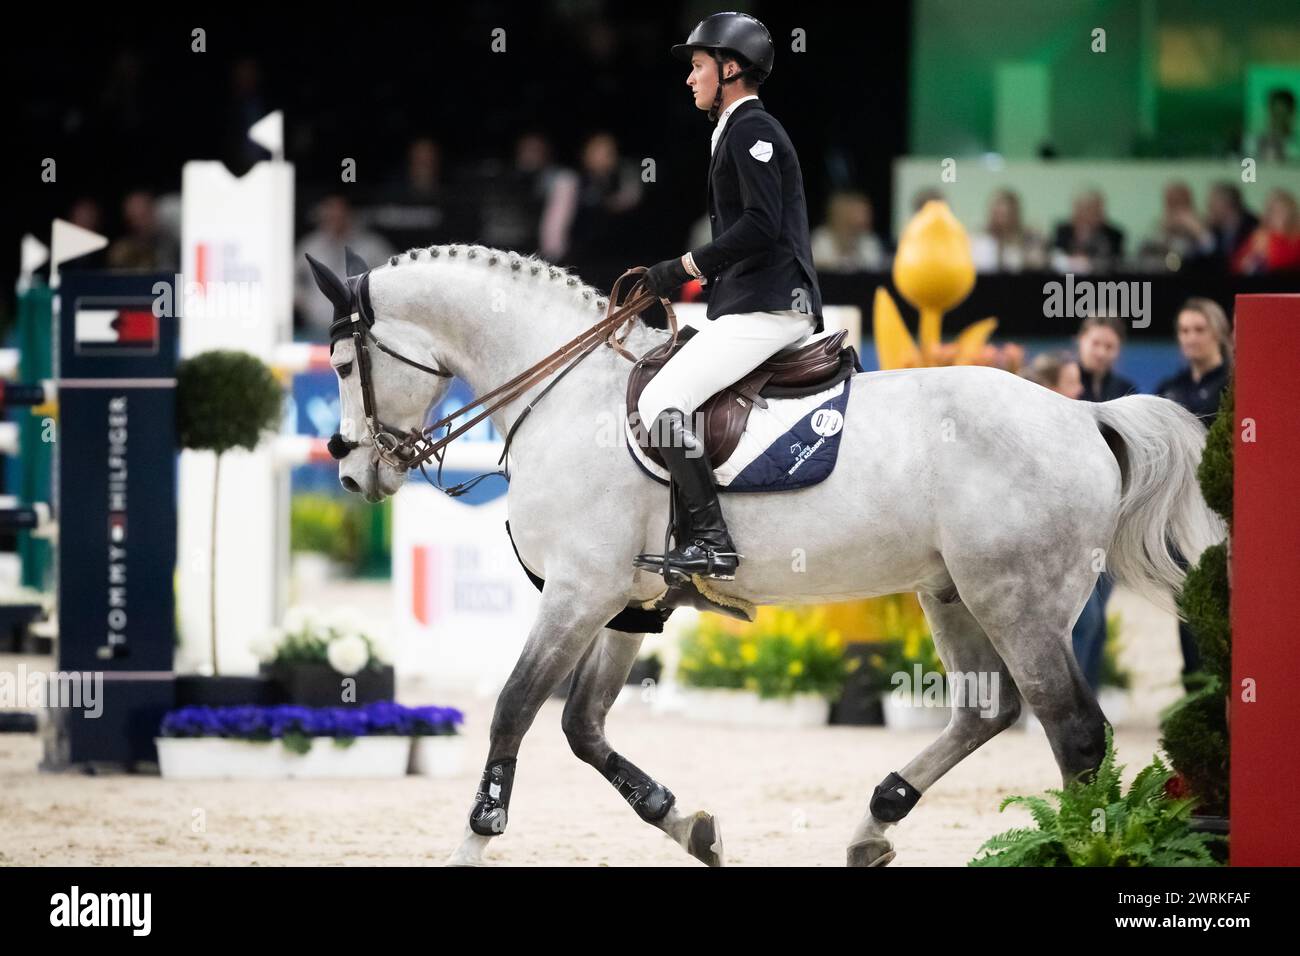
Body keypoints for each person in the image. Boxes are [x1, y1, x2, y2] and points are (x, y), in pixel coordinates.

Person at [632, 11, 823, 582]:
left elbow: (763, 226)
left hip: (771, 305)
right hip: (750, 300)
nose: (689, 78)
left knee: (658, 404)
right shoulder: (732, 130)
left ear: (730, 67)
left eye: (697, 66)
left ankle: (713, 540)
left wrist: (686, 265)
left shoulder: (752, 130)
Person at [1157, 297, 1233, 690]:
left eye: (1199, 330)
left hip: (1227, 517)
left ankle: (1231, 688)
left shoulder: (1239, 384)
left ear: (1218, 333)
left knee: (1228, 604)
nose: (1190, 338)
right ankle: (1196, 691)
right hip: (1180, 517)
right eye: (1184, 331)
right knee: (1189, 603)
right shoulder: (1170, 389)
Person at [970, 189, 1046, 273]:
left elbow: (1037, 265)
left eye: (1005, 215)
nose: (1001, 221)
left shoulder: (1027, 240)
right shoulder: (978, 240)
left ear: (1015, 216)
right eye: (997, 214)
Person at [810, 191, 888, 272]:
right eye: (859, 212)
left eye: (867, 213)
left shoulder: (869, 241)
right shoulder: (821, 239)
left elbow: (875, 268)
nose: (866, 218)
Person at [1233, 188, 1300, 274]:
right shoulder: (1260, 236)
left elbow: (1286, 263)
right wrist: (1248, 261)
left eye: (1281, 210)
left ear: (1291, 213)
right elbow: (1237, 264)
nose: (1277, 214)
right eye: (1273, 210)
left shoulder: (1296, 237)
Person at [1076, 315, 1137, 402]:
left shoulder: (1127, 391)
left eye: (1109, 346)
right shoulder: (1059, 384)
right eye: (1095, 343)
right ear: (1081, 339)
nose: (1101, 353)